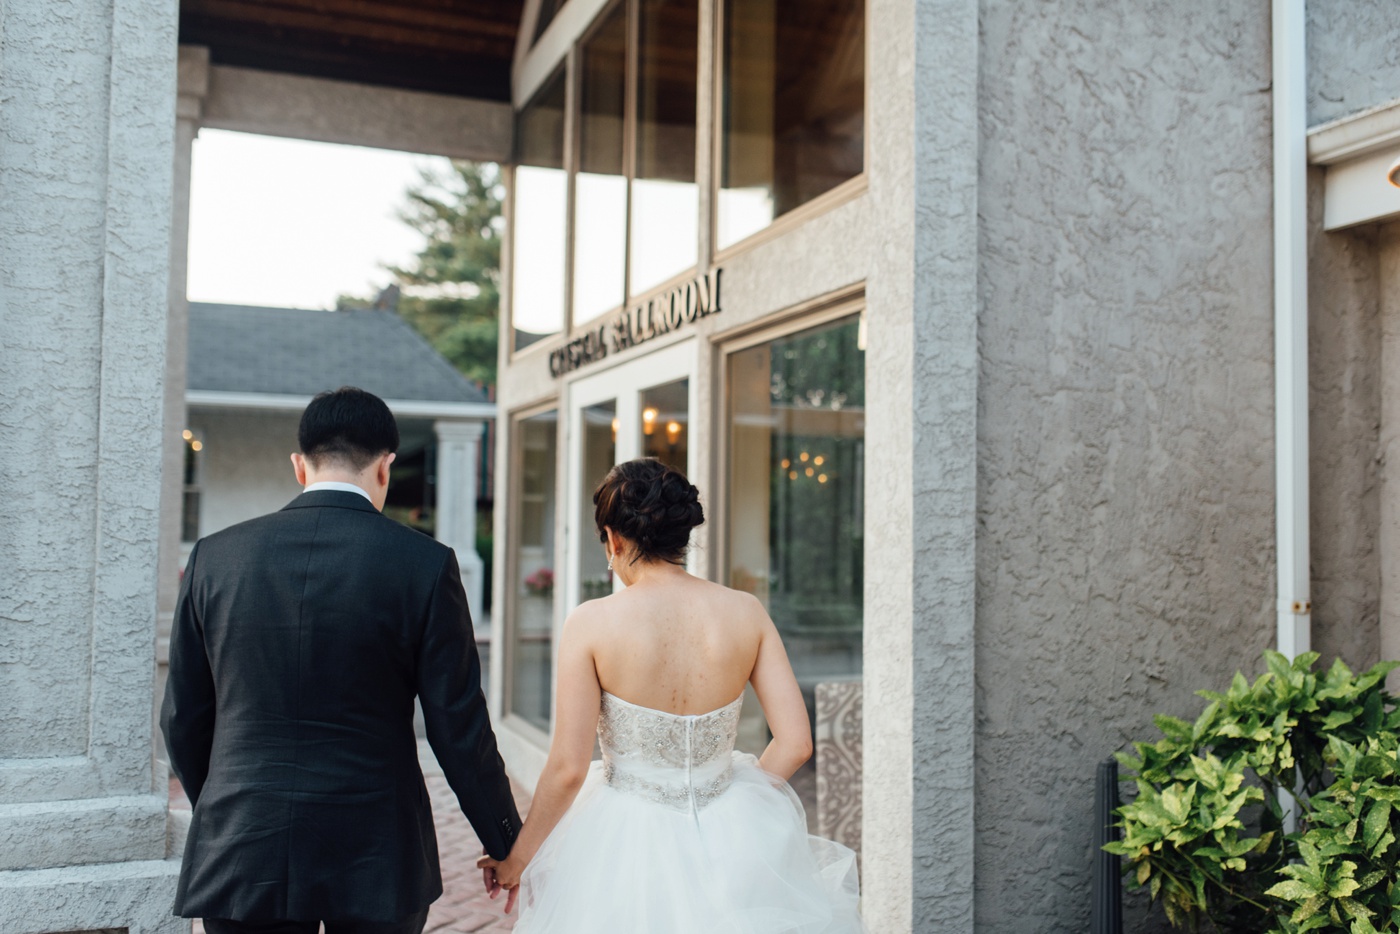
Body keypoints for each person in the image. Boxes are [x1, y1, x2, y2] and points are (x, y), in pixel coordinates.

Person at [161, 386, 521, 934]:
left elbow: (183, 716)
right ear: (386, 468)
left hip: (242, 844)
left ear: (299, 466)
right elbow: (459, 730)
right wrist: (505, 843)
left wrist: (223, 808)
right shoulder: (424, 565)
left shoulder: (215, 557)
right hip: (379, 851)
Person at [477, 458, 864, 932]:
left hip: (622, 838)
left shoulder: (590, 623)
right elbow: (796, 743)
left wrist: (517, 860)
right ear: (681, 537)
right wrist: (740, 806)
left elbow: (567, 768)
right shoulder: (747, 611)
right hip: (732, 828)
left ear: (614, 541)